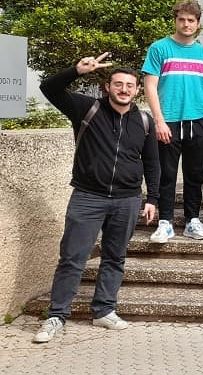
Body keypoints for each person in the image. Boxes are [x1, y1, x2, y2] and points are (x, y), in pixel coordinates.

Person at [34, 53, 159, 343]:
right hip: (87, 197)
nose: (124, 89)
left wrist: (152, 198)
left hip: (127, 200)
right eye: (118, 84)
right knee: (72, 258)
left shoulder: (144, 120)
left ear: (137, 90)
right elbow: (48, 88)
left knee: (115, 257)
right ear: (107, 87)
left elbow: (152, 163)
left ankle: (104, 310)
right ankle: (56, 315)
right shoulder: (85, 108)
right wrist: (76, 70)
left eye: (129, 85)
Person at [144, 0, 203, 243]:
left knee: (196, 175)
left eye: (191, 20)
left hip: (199, 122)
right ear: (175, 20)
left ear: (198, 23)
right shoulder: (159, 48)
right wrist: (159, 121)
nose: (186, 24)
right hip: (169, 121)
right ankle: (165, 222)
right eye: (182, 20)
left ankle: (192, 220)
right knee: (167, 174)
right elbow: (150, 86)